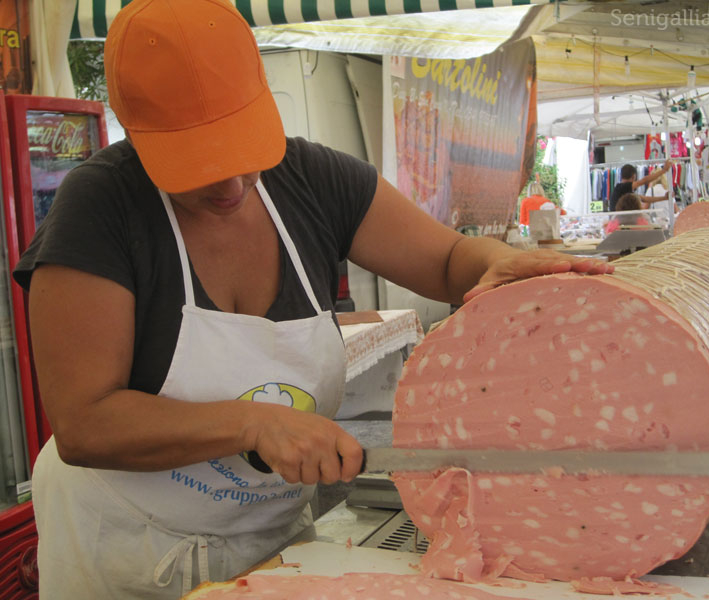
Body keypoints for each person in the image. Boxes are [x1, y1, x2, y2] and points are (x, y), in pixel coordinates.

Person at [14, 1, 613, 599]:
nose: (231, 185)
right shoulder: (100, 207)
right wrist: (253, 422)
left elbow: (447, 260)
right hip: (126, 551)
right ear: (139, 135)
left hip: (271, 545)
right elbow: (86, 423)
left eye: (242, 149)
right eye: (196, 162)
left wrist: (492, 262)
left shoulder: (314, 180)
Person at [609, 160, 673, 212]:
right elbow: (644, 181)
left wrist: (664, 198)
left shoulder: (622, 189)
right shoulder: (623, 187)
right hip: (619, 220)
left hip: (618, 220)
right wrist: (664, 170)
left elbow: (645, 199)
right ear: (634, 176)